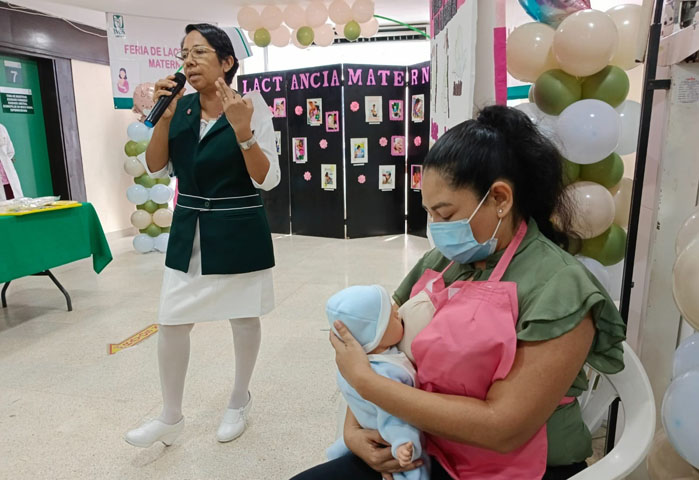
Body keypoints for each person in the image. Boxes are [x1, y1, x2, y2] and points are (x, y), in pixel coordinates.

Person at [291, 105, 626, 480]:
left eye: (446, 215)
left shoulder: (561, 287)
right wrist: (356, 432)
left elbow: (503, 428)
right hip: (423, 446)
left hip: (514, 466)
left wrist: (366, 384)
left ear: (500, 198)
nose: (435, 228)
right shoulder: (444, 260)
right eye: (429, 213)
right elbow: (383, 342)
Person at [125, 23, 281, 448]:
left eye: (199, 52)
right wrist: (165, 119)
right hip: (189, 230)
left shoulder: (252, 106)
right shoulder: (180, 106)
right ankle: (170, 415)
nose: (188, 61)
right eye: (184, 54)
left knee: (243, 318)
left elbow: (268, 179)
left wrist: (243, 131)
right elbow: (157, 168)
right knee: (172, 321)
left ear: (227, 62)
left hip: (239, 228)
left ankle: (238, 399)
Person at [325, 285, 429, 480]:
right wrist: (402, 442)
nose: (398, 312)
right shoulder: (386, 372)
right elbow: (393, 414)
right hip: (393, 443)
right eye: (391, 317)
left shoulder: (356, 365)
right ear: (376, 335)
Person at [0, 123, 22, 201]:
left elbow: (10, 150)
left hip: (8, 179)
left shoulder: (1, 128)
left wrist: (6, 161)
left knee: (15, 203)